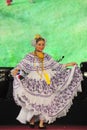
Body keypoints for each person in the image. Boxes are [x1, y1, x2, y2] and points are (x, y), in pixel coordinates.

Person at [11, 34, 83, 129]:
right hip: (34, 80)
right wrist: (16, 70)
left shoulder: (47, 56)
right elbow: (22, 65)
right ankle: (32, 121)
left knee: (46, 101)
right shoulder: (29, 56)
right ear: (35, 45)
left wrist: (69, 64)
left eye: (43, 44)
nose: (41, 46)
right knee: (34, 100)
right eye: (39, 44)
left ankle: (41, 123)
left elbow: (57, 66)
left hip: (47, 80)